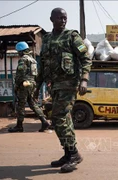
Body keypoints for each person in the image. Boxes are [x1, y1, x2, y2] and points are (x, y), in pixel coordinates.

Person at [34, 8, 92, 173]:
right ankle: (68, 154)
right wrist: (37, 87)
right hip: (55, 87)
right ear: (51, 19)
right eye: (60, 18)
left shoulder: (72, 36)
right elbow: (43, 65)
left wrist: (84, 80)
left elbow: (85, 58)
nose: (63, 20)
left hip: (69, 85)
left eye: (65, 18)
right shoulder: (47, 39)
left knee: (60, 117)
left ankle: (74, 154)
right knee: (61, 119)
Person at [8, 41, 50, 133]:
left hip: (24, 85)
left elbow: (20, 74)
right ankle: (44, 121)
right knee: (32, 104)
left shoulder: (23, 59)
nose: (18, 54)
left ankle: (19, 126)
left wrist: (16, 86)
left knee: (21, 105)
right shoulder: (33, 60)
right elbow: (36, 74)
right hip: (31, 84)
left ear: (21, 51)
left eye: (18, 52)